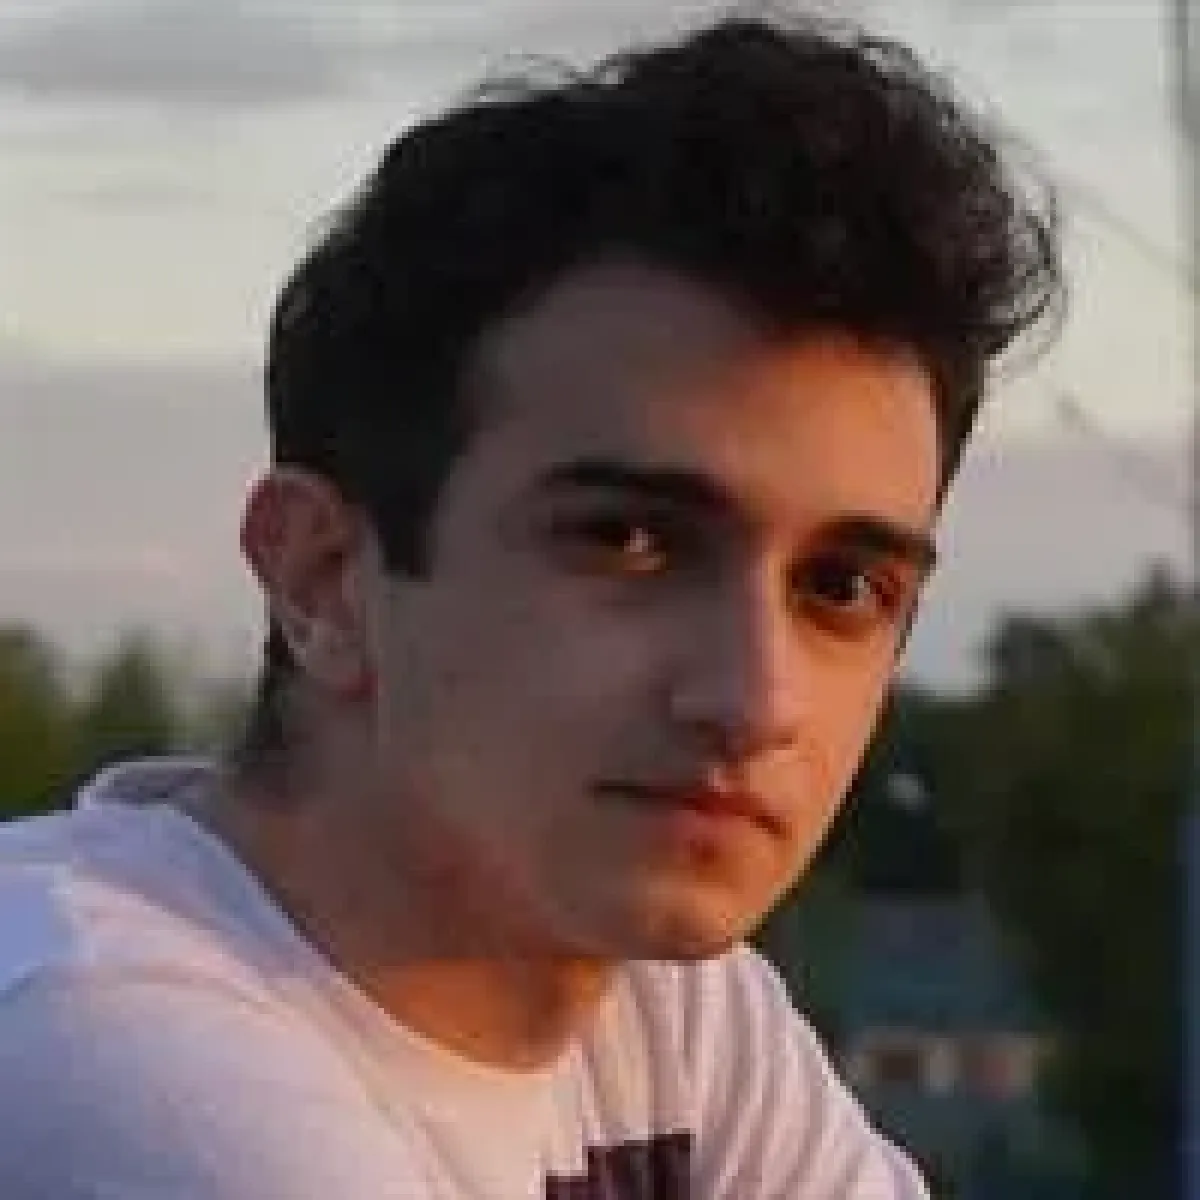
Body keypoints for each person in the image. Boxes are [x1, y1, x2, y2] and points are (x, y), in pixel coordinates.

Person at [0, 13, 1062, 1198]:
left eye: (840, 587)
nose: (755, 700)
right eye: (630, 541)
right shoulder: (107, 1056)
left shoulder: (670, 1013)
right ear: (324, 579)